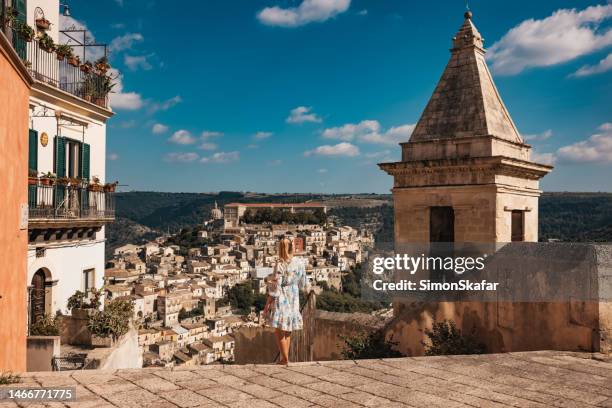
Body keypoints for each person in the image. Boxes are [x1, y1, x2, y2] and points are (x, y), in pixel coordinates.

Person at [263, 236, 309, 365]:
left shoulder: (280, 263)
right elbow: (304, 282)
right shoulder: (300, 262)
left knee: (279, 329)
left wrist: (267, 304)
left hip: (282, 295)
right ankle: (285, 358)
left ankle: (285, 359)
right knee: (287, 329)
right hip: (294, 295)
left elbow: (275, 286)